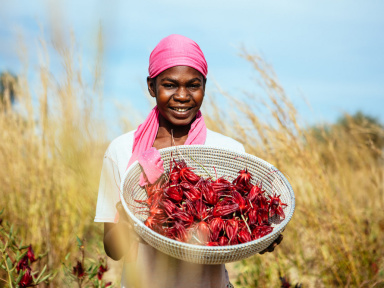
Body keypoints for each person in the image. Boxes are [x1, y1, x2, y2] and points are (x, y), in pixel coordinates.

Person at [95, 34, 283, 288]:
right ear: (152, 87)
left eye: (193, 85)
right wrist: (125, 223)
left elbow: (237, 232)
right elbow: (113, 250)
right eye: (169, 85)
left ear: (204, 86)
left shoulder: (228, 151)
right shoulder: (121, 151)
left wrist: (260, 234)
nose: (182, 96)